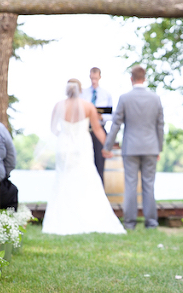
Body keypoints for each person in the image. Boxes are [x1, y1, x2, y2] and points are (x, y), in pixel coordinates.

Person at [44, 79, 125, 235]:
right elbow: (98, 130)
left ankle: (61, 219)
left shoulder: (59, 106)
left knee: (63, 179)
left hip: (64, 146)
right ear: (80, 90)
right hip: (82, 146)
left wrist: (65, 136)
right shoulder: (88, 107)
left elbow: (53, 129)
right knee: (86, 178)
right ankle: (88, 216)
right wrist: (108, 147)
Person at [102, 66, 164, 229]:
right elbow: (160, 125)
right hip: (151, 147)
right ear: (144, 78)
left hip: (130, 148)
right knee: (149, 184)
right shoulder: (155, 98)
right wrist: (159, 148)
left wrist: (107, 145)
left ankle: (130, 223)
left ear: (131, 78)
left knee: (130, 184)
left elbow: (116, 124)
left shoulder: (124, 98)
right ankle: (151, 222)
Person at [80, 67, 114, 183]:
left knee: (100, 163)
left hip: (99, 128)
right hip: (84, 130)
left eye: (96, 78)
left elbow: (111, 115)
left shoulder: (106, 94)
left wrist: (101, 116)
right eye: (92, 78)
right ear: (90, 77)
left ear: (99, 77)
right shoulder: (83, 93)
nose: (94, 80)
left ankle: (100, 191)